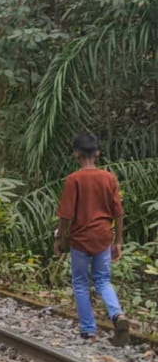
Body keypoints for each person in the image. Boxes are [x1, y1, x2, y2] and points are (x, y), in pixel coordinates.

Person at [54, 133, 130, 345]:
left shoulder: (74, 179)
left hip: (80, 239)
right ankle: (118, 315)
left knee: (80, 283)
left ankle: (88, 330)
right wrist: (118, 241)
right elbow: (118, 212)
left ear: (76, 155)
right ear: (97, 153)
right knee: (103, 280)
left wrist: (59, 237)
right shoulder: (109, 178)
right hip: (103, 237)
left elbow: (65, 215)